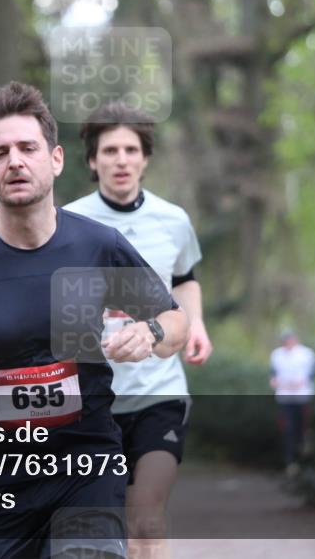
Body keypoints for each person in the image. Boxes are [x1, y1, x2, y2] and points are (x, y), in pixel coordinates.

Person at [0, 82, 188, 559]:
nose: (15, 160)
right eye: (1, 152)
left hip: (85, 463)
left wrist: (150, 331)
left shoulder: (98, 247)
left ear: (55, 160)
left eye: (27, 148)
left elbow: (173, 321)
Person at [64, 103, 212, 559]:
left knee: (146, 513)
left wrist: (196, 324)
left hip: (159, 394)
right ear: (92, 160)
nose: (121, 159)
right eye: (110, 150)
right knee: (107, 526)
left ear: (145, 158)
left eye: (131, 149)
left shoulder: (173, 221)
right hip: (94, 397)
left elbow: (184, 279)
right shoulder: (67, 223)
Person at [269, 328, 315, 476]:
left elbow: (313, 371)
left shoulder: (306, 353)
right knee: (288, 429)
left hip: (302, 396)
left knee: (302, 428)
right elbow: (273, 373)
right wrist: (274, 381)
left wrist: (304, 381)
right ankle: (290, 462)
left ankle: (305, 458)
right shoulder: (277, 355)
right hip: (284, 397)